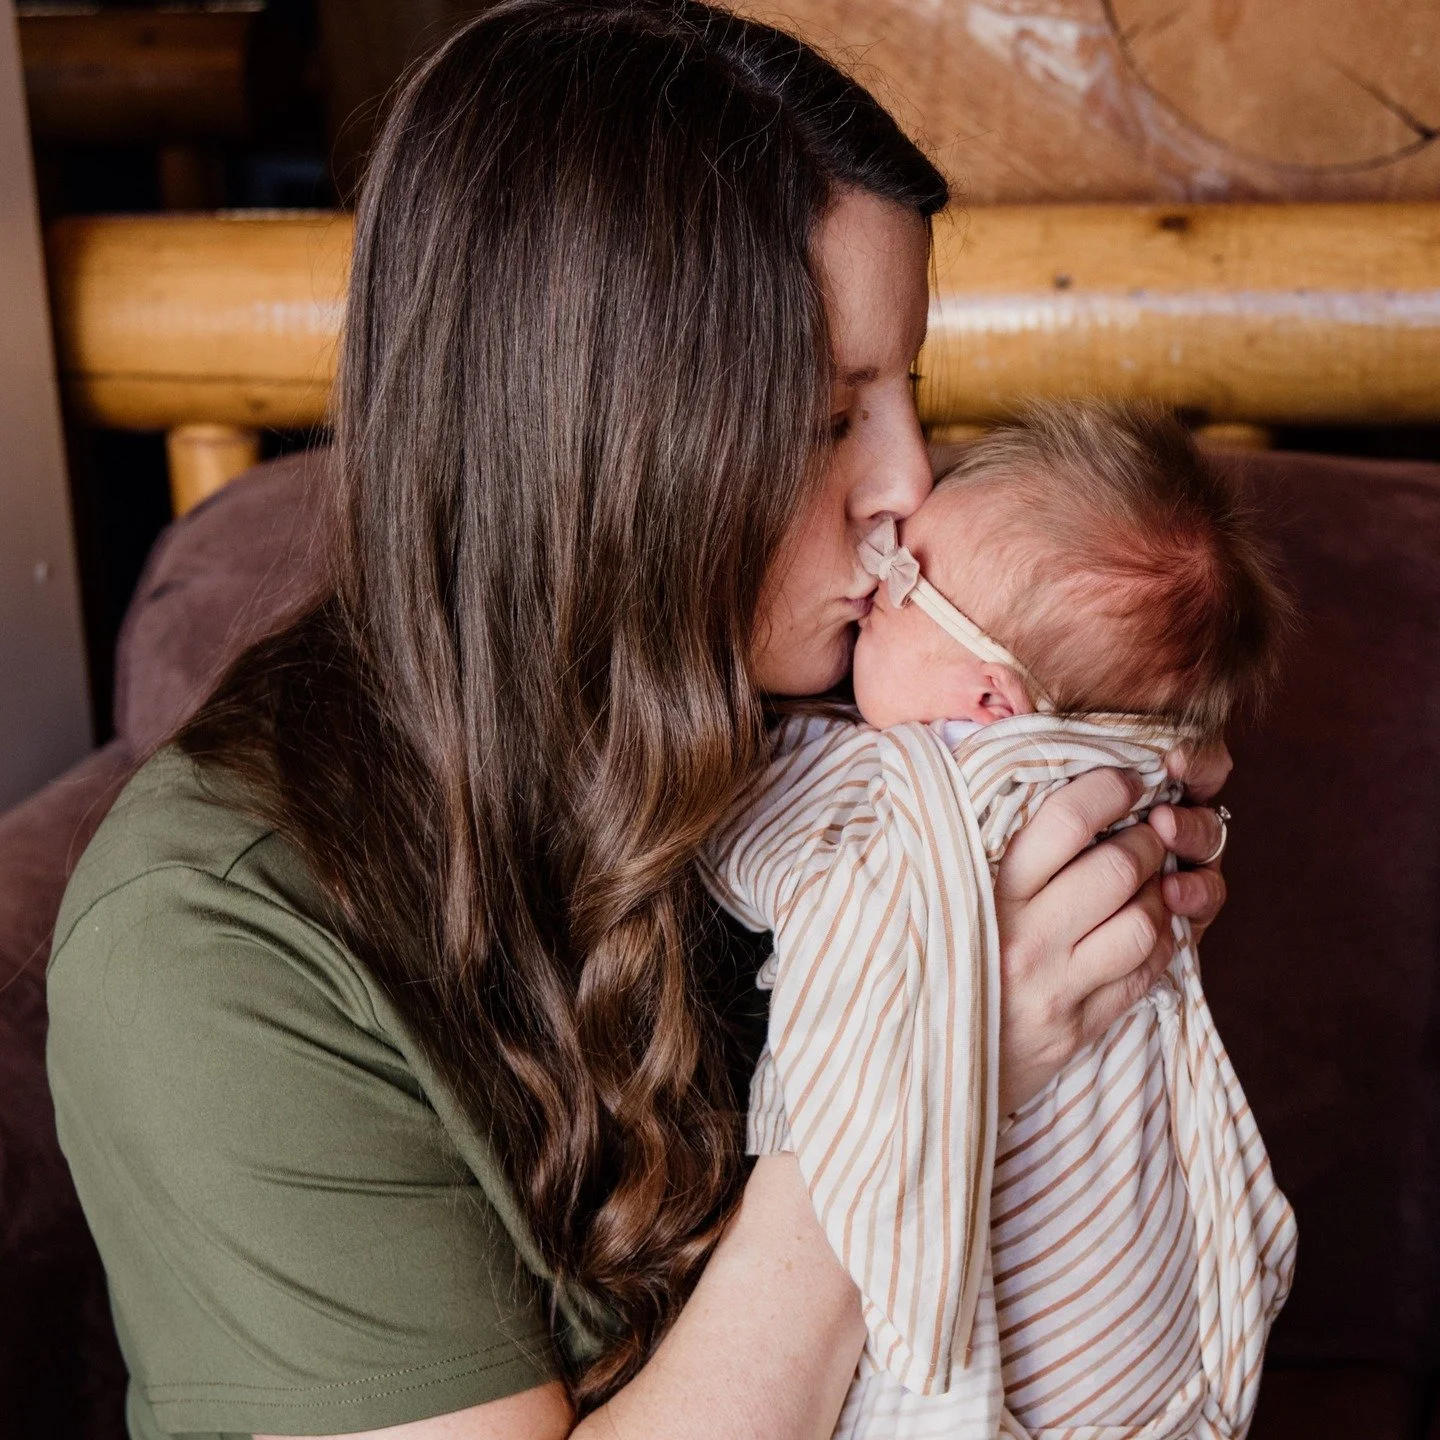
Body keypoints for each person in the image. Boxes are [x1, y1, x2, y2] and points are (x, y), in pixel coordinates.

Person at [45, 6, 1233, 1438]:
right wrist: (932, 1069)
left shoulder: (841, 719)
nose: (909, 486)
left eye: (911, 391)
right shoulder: (214, 949)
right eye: (821, 420)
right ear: (596, 450)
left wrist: (1127, 804)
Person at [703, 404, 1297, 1440]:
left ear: (989, 699)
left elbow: (749, 830)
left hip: (996, 1345)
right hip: (1139, 1335)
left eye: (898, 588)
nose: (877, 563)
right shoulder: (1134, 790)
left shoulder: (910, 788)